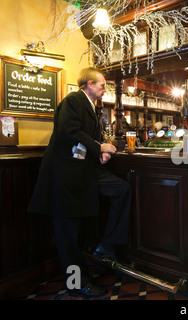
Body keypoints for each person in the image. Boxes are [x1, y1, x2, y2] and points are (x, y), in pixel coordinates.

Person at [27, 67, 132, 298]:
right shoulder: (74, 100)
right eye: (102, 84)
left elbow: (86, 138)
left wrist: (99, 151)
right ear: (88, 84)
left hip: (82, 172)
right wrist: (99, 147)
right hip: (63, 176)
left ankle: (107, 245)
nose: (105, 89)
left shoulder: (92, 107)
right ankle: (76, 284)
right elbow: (69, 131)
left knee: (121, 189)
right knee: (68, 235)